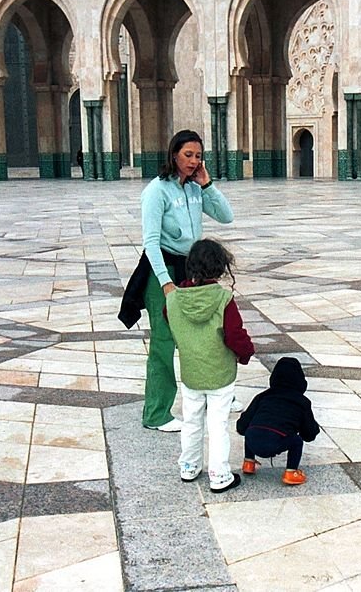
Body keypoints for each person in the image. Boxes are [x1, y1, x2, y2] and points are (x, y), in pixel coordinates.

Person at [117, 129, 234, 433]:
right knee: (164, 341)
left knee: (204, 335)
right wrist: (166, 282)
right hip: (163, 272)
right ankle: (157, 413)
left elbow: (226, 216)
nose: (194, 161)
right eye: (188, 155)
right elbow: (151, 243)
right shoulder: (157, 191)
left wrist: (207, 185)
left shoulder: (195, 189)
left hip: (192, 272)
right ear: (173, 155)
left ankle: (213, 393)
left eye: (198, 155)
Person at [166, 239, 254, 493]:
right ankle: (219, 474)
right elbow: (235, 336)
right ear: (219, 268)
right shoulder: (224, 300)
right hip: (220, 375)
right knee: (217, 426)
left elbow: (166, 317)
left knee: (191, 421)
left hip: (191, 373)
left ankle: (189, 467)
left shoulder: (173, 300)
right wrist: (246, 354)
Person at [236, 357, 320, 486]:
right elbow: (309, 433)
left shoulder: (262, 396)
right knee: (296, 441)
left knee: (252, 428)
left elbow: (242, 426)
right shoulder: (302, 402)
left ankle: (249, 463)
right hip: (276, 442)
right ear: (300, 380)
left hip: (253, 440)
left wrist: (245, 429)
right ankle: (291, 472)